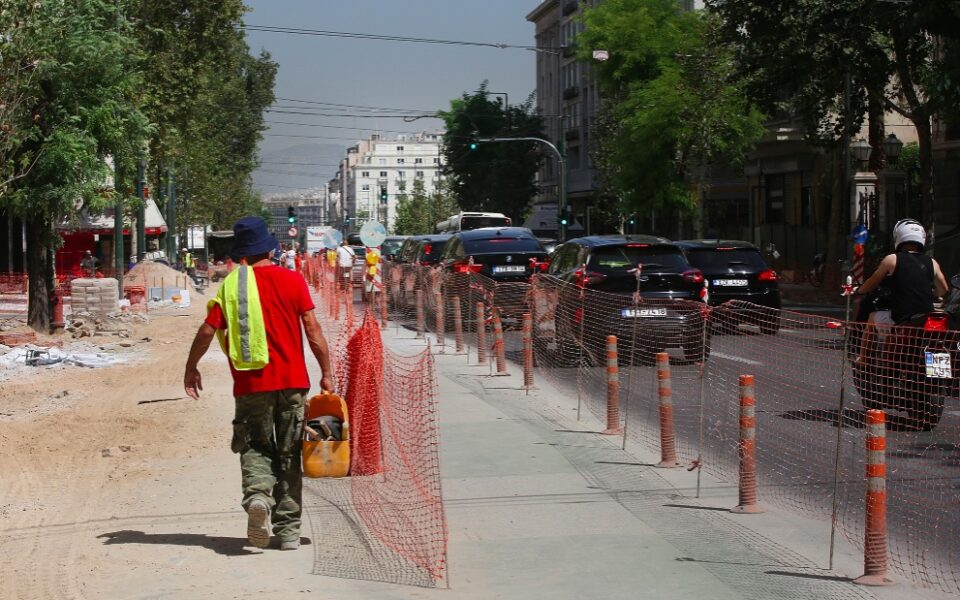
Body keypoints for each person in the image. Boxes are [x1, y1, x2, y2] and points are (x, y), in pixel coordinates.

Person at [183, 216, 333, 551]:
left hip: (251, 384)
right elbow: (313, 329)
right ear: (270, 247)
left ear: (242, 254)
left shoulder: (232, 285)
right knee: (290, 452)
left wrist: (191, 367)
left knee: (254, 447)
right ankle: (289, 532)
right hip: (293, 383)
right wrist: (326, 372)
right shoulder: (293, 281)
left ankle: (258, 499)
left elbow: (208, 331)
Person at [854, 218, 948, 361]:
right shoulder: (932, 262)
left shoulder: (892, 259)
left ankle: (863, 358)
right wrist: (934, 294)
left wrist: (860, 290)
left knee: (872, 318)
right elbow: (943, 289)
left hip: (901, 318)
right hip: (925, 319)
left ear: (898, 237)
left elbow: (872, 283)